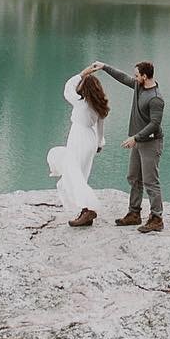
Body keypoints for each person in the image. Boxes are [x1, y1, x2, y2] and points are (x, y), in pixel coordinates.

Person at [90, 59, 166, 232]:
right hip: (138, 141)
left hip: (150, 143)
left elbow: (154, 124)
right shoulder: (139, 87)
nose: (134, 77)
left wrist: (136, 138)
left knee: (150, 182)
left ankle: (157, 218)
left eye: (137, 75)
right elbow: (123, 78)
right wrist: (104, 67)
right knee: (134, 178)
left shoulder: (156, 99)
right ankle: (134, 214)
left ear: (145, 76)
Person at [47, 66, 109, 228]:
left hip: (79, 139)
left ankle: (88, 209)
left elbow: (68, 89)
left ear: (84, 88)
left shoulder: (81, 103)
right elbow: (100, 130)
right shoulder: (99, 106)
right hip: (90, 140)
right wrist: (99, 143)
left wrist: (82, 73)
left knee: (74, 175)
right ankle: (85, 211)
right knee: (81, 174)